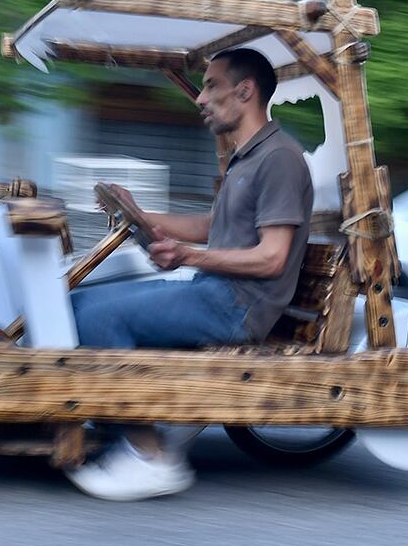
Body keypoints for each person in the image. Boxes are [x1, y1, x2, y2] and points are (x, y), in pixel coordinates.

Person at [66, 48, 314, 501]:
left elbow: (272, 258)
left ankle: (150, 455)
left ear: (245, 91)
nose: (200, 98)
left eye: (211, 85)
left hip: (237, 305)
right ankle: (108, 407)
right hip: (214, 290)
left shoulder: (279, 158)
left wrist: (188, 257)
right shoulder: (246, 157)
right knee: (77, 302)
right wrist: (138, 213)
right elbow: (209, 227)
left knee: (99, 321)